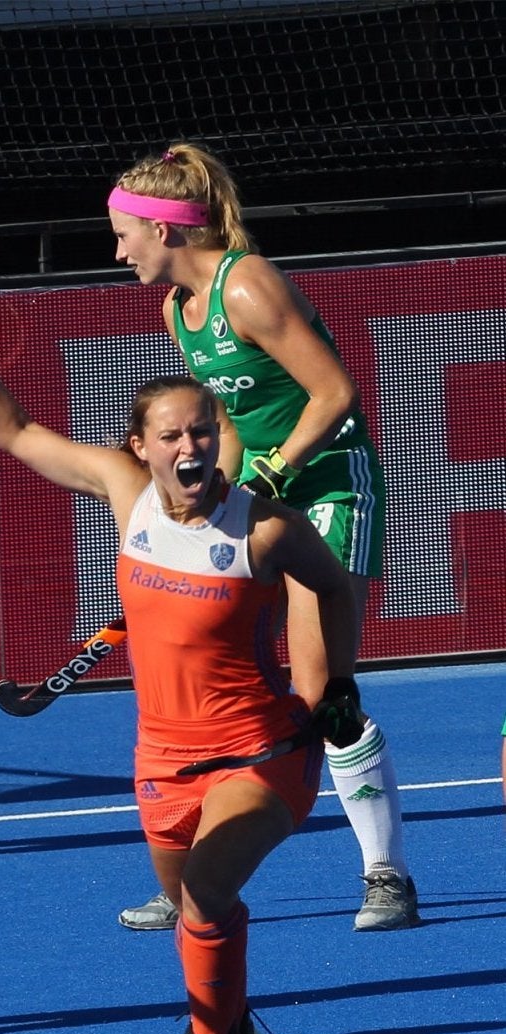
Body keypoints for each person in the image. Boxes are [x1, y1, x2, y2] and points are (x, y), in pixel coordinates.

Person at [0, 289, 365, 1034]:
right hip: (160, 765)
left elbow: (334, 586)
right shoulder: (123, 493)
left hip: (260, 752)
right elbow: (16, 433)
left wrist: (337, 683)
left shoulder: (261, 527)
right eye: (172, 434)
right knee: (204, 917)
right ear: (141, 446)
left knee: (203, 891)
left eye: (203, 430)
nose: (191, 445)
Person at [106, 141, 417, 934]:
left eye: (124, 233)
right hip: (272, 486)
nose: (119, 250)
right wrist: (214, 496)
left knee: (322, 690)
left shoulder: (245, 283)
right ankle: (196, 875)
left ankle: (389, 874)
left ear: (166, 229)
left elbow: (336, 392)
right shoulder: (178, 310)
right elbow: (229, 427)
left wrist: (275, 471)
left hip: (332, 484)